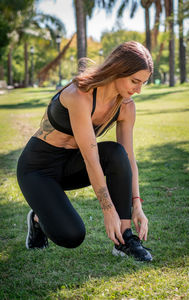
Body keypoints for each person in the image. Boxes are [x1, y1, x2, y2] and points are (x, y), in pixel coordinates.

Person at [17, 41, 153, 262]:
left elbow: (128, 158)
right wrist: (108, 210)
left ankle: (124, 238)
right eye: (134, 81)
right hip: (38, 169)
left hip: (71, 165)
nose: (138, 89)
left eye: (143, 83)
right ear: (117, 70)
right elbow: (91, 159)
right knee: (72, 235)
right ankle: (38, 221)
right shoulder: (79, 95)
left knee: (118, 154)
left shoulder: (126, 106)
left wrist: (136, 205)